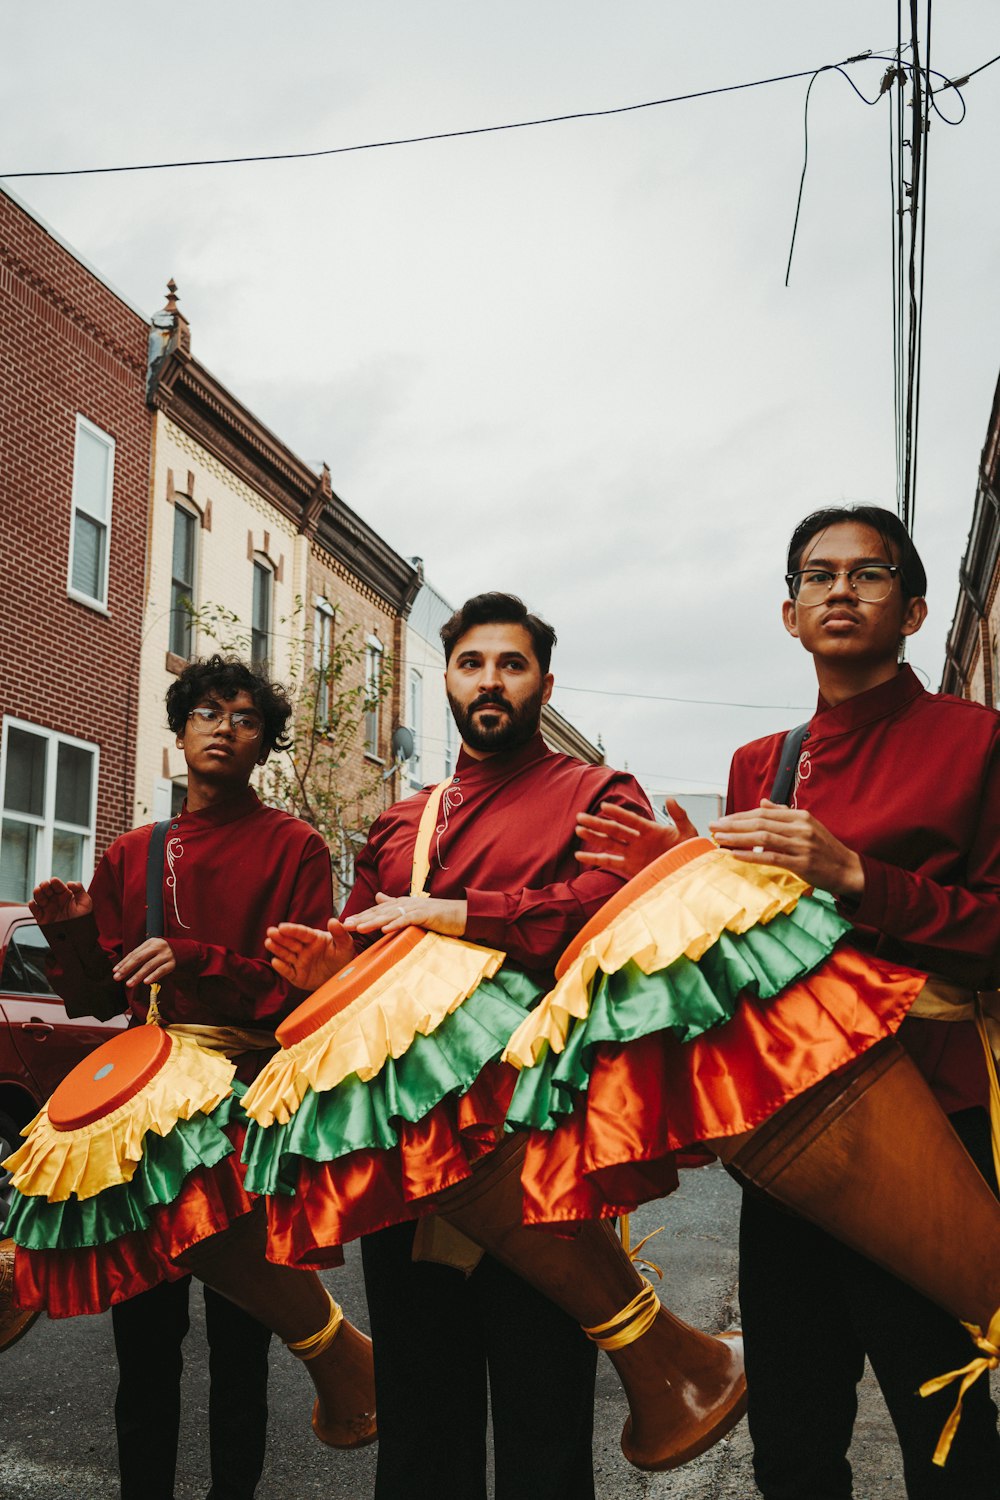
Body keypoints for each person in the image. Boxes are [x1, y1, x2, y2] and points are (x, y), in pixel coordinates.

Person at [575, 505, 1000, 1499]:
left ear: (912, 607)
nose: (840, 589)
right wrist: (675, 879)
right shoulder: (757, 765)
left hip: (925, 1121)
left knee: (945, 1427)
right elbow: (740, 949)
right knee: (796, 1436)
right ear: (788, 612)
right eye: (817, 575)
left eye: (869, 572)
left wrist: (858, 875)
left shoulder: (977, 742)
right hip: (787, 1132)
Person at [266, 591, 653, 1500]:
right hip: (407, 1159)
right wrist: (332, 970)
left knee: (544, 1420)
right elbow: (368, 958)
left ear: (544, 683)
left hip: (535, 1149)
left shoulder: (596, 796)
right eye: (472, 663)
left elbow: (610, 916)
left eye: (511, 665)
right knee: (421, 1422)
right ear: (445, 679)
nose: (491, 681)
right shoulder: (405, 822)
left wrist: (462, 913)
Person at [30, 655, 334, 1500]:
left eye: (243, 717)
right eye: (207, 712)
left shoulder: (296, 846)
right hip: (146, 1119)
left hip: (243, 1105)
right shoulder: (135, 852)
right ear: (180, 729)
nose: (223, 727)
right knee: (146, 1340)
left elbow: (303, 994)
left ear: (263, 742)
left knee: (245, 1338)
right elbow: (97, 999)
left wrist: (202, 956)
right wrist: (70, 935)